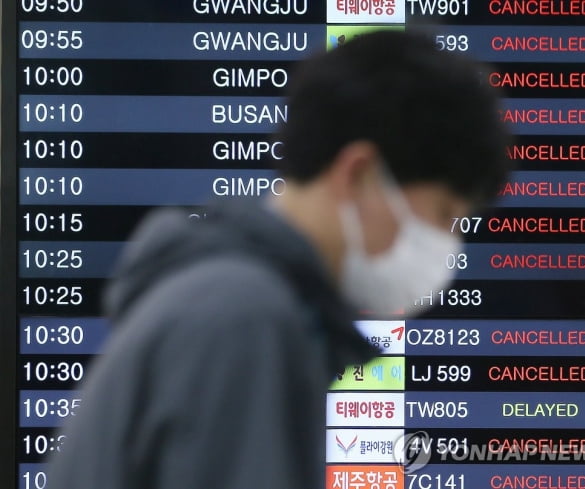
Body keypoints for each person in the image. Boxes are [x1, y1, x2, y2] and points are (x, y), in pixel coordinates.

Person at [47, 30, 510, 489]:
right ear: (360, 173)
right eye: (445, 214)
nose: (449, 244)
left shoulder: (223, 295)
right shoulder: (244, 318)